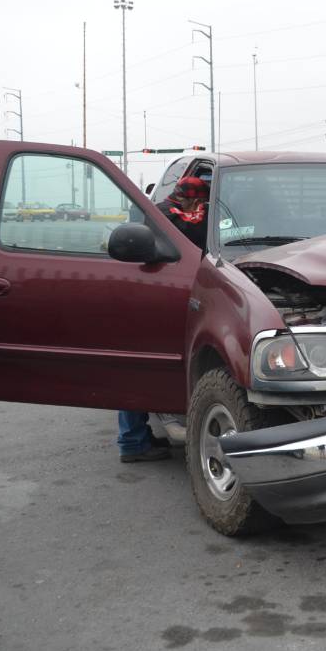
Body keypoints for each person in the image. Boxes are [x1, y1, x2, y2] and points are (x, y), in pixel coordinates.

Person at [117, 176, 211, 462]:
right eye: (198, 201)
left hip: (154, 297)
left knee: (137, 368)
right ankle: (132, 443)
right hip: (157, 298)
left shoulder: (155, 210)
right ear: (193, 199)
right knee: (138, 368)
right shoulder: (176, 217)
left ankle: (135, 438)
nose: (199, 205)